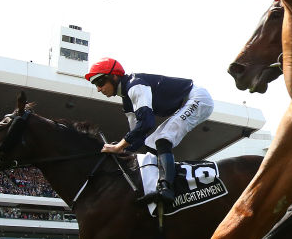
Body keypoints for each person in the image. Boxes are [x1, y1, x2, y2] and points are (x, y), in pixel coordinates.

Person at [84, 58, 214, 216]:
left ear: (114, 76)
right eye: (95, 84)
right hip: (186, 103)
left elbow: (146, 123)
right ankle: (156, 186)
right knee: (151, 143)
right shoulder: (127, 101)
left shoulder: (135, 85)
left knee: (163, 139)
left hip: (198, 98)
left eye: (100, 82)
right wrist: (118, 151)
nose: (98, 89)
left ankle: (167, 189)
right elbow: (137, 138)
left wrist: (119, 147)